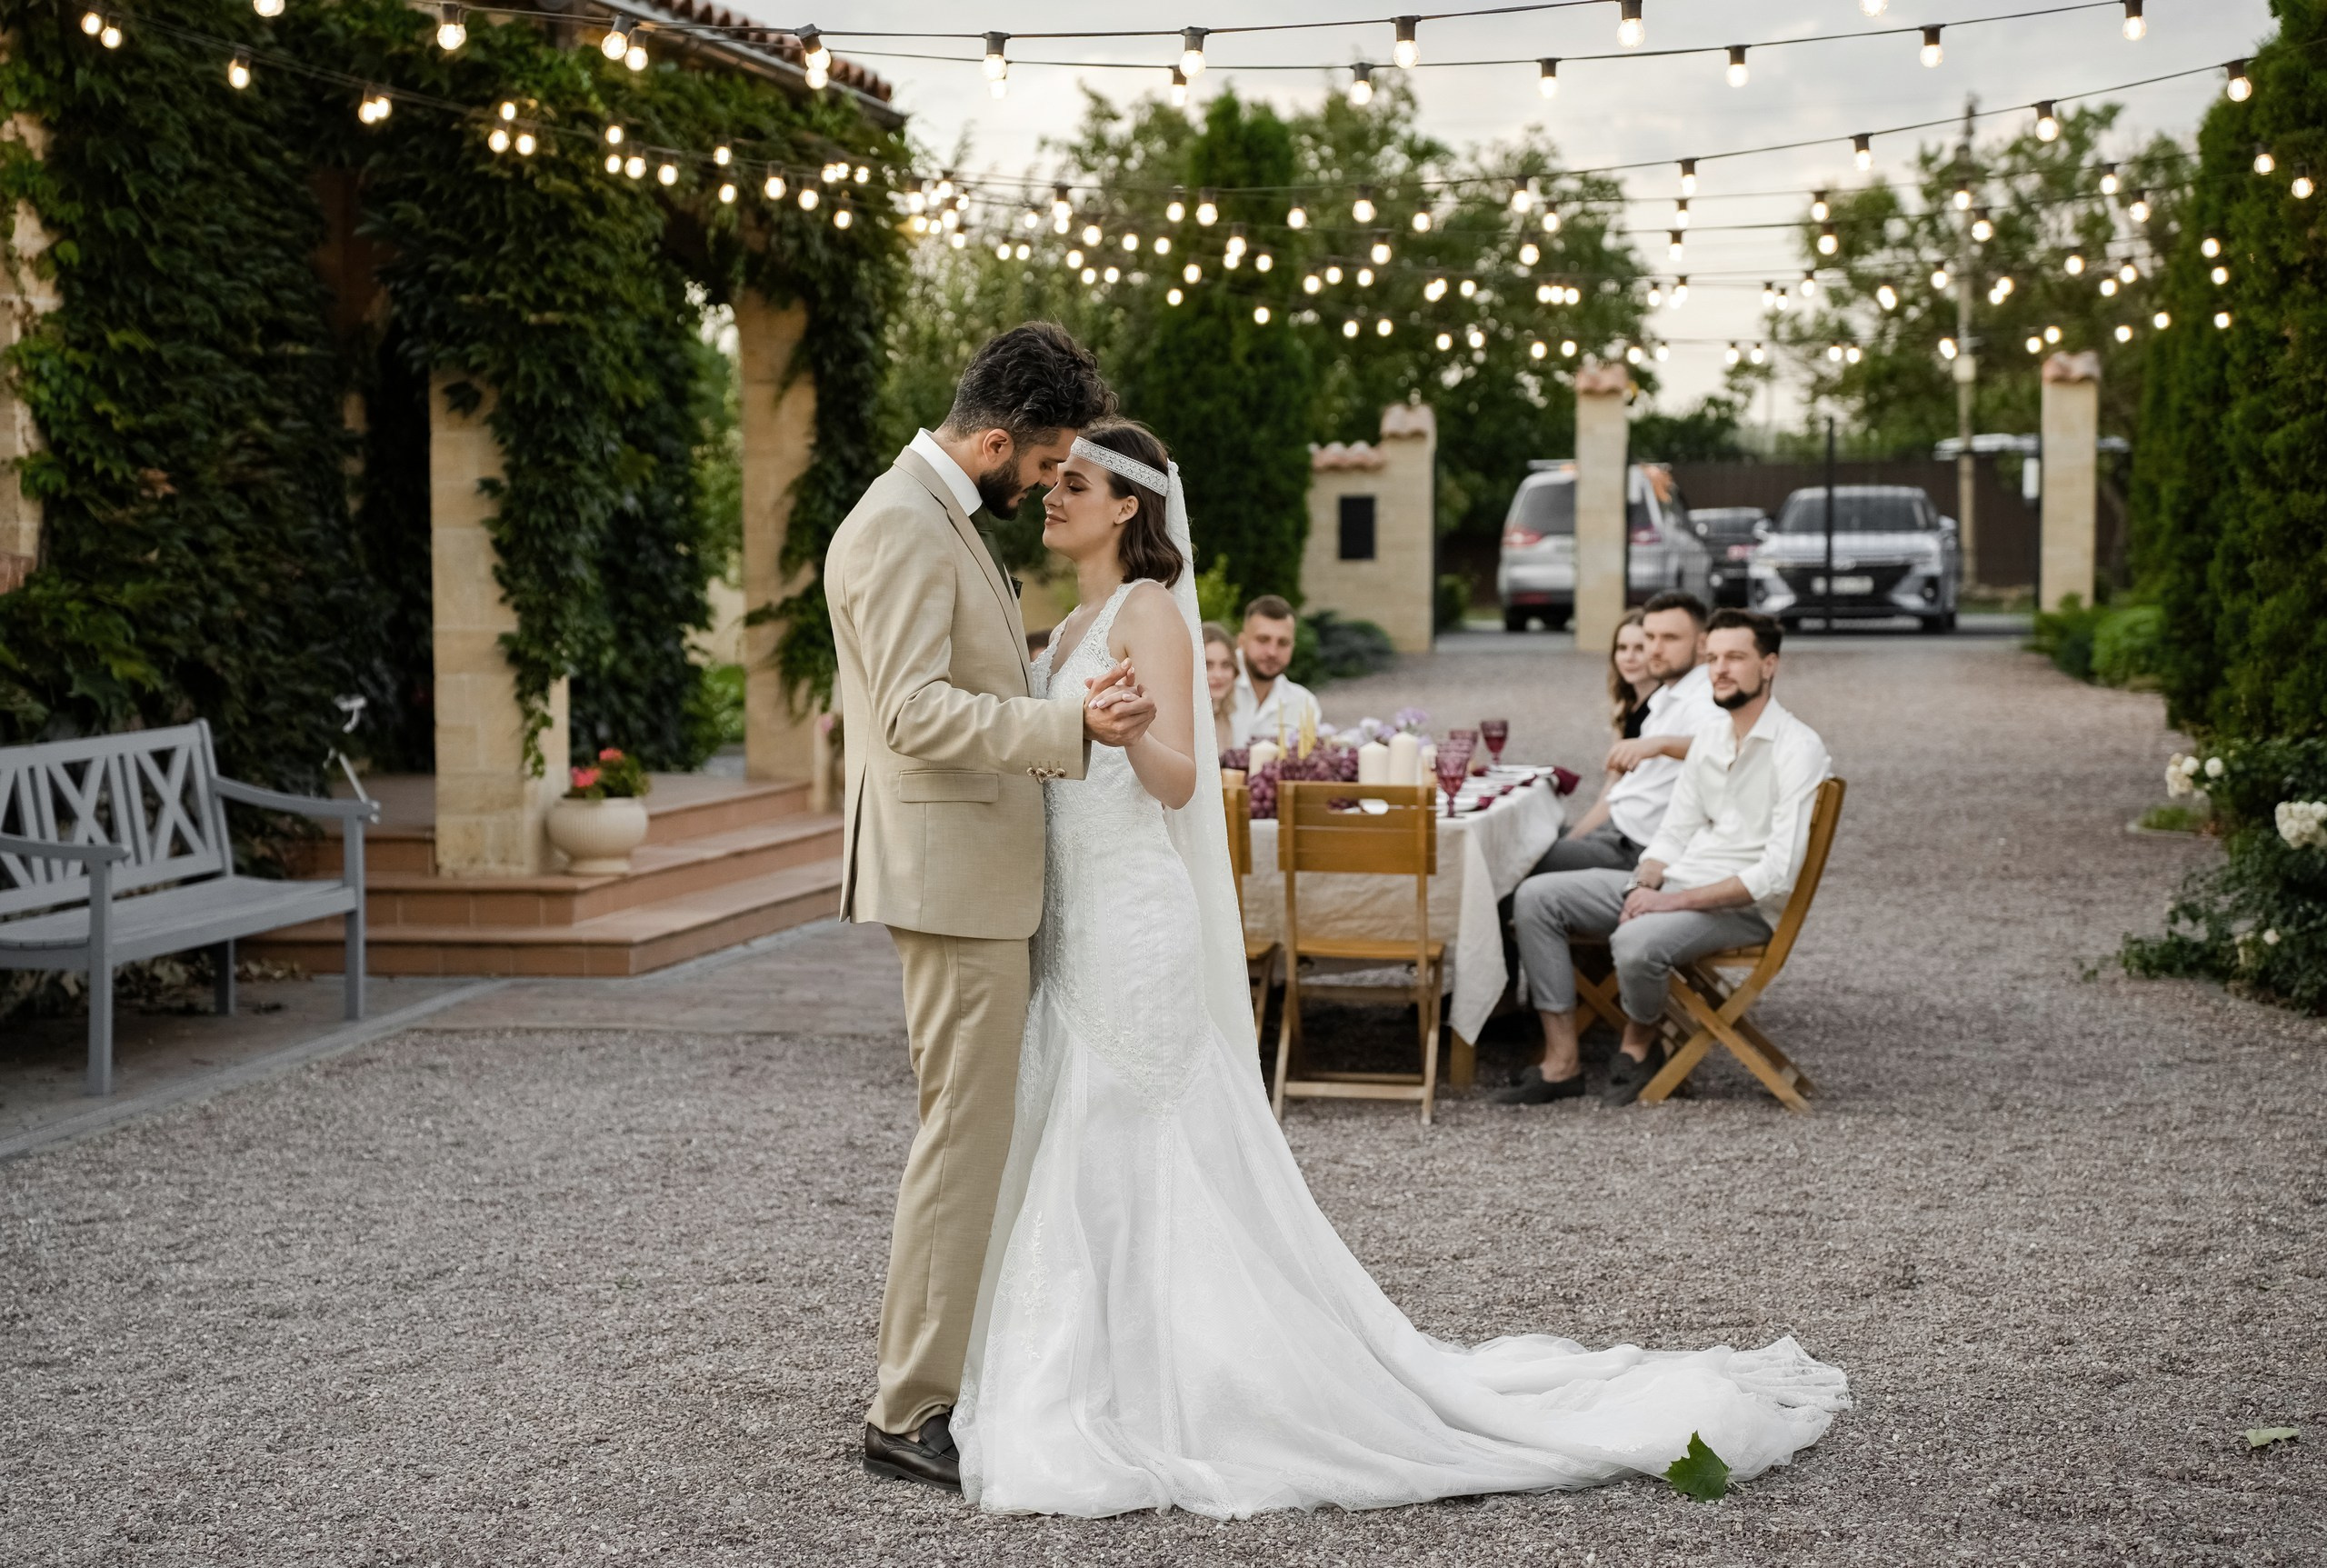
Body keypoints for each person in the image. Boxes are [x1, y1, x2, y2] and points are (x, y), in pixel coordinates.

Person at [950, 432, 1849, 1516]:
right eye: (1054, 484)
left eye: (1074, 486)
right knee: (1073, 1125)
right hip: (1076, 911)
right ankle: (1085, 1357)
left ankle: (1166, 1379)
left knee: (1128, 1126)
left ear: (1129, 511)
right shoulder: (1077, 620)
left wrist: (1131, 735)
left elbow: (1182, 778)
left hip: (1132, 912)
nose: (1052, 498)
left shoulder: (1143, 611)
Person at [824, 323, 1157, 1491]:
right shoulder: (903, 525)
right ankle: (909, 1407)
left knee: (976, 1135)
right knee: (959, 1145)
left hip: (973, 867)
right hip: (952, 878)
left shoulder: (932, 517)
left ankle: (951, 1375)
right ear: (1000, 438)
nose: (1046, 483)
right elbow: (913, 712)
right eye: (1047, 461)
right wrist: (1066, 727)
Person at [1501, 608, 1832, 1110]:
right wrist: (1644, 883)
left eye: (1736, 657)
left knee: (1635, 942)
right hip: (1676, 885)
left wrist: (1668, 904)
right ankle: (1562, 1061)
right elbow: (1672, 834)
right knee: (1535, 897)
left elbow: (1776, 875)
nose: (1720, 669)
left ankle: (1639, 1042)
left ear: (1769, 666)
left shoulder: (1798, 749)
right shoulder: (1713, 740)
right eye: (1714, 657)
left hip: (1740, 906)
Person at [1527, 591, 1717, 881]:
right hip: (1617, 829)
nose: (1655, 649)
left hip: (1634, 848)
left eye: (1669, 638)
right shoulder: (1668, 695)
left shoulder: (1703, 697)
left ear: (1703, 644)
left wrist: (1659, 744)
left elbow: (1727, 745)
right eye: (1650, 638)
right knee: (1519, 844)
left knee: (1515, 863)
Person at [1226, 594, 1321, 746]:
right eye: (1263, 640)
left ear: (1293, 647)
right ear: (1241, 642)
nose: (1272, 652)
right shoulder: (1213, 683)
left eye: (1283, 643)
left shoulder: (1304, 703)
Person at [1610, 608, 1657, 739]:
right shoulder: (1625, 704)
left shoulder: (1662, 707)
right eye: (1622, 648)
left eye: (1640, 648)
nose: (1629, 657)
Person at [1200, 621, 1238, 755]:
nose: (1218, 675)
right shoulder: (1188, 722)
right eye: (1208, 665)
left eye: (1226, 665)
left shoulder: (1225, 719)